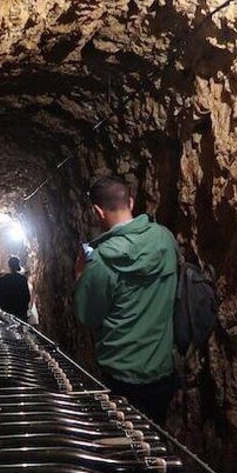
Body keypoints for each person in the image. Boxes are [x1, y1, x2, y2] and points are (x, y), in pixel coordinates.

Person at [73, 176, 179, 427]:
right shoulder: (164, 238)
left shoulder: (101, 262)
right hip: (162, 369)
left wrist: (79, 276)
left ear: (98, 212)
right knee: (156, 437)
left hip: (121, 374)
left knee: (126, 443)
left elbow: (87, 316)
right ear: (130, 201)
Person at [0, 256, 31, 322]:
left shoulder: (4, 279)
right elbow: (26, 296)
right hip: (19, 311)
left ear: (9, 265)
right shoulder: (22, 279)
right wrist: (24, 309)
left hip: (6, 311)